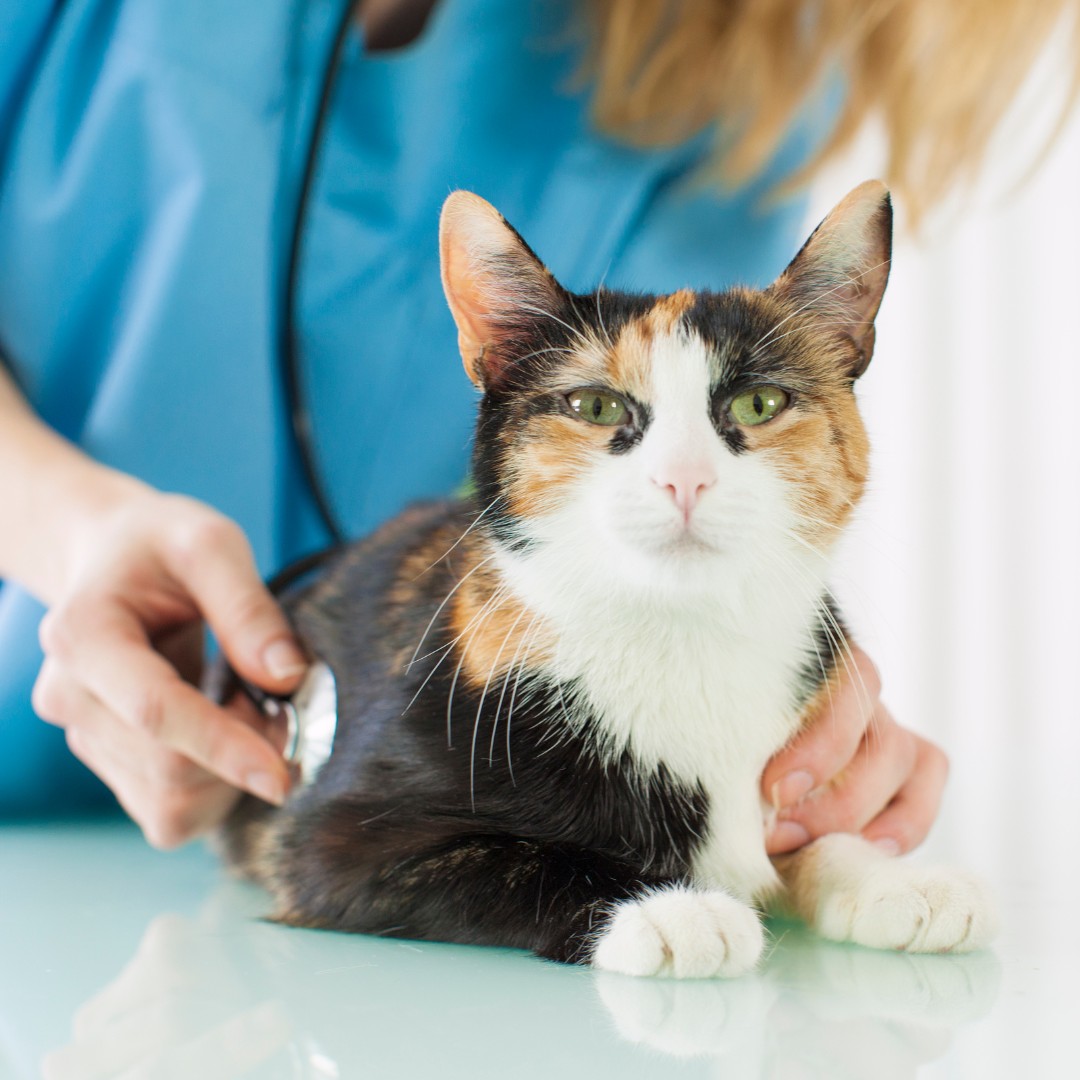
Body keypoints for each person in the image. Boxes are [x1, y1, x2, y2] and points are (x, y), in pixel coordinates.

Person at [0, 0, 1071, 849]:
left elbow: (663, 491)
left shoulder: (729, 47)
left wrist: (768, 666)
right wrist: (71, 530)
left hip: (417, 803)